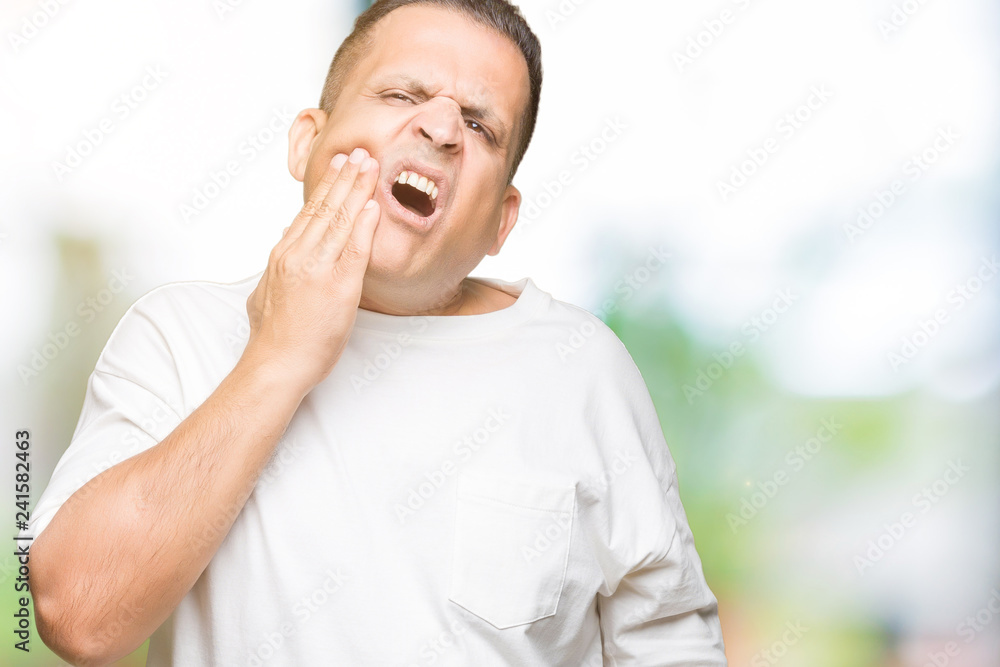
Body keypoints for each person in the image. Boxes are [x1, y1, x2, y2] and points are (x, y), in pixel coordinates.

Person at [24, 0, 727, 664]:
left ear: (500, 222)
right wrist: (278, 357)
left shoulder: (582, 370)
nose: (443, 130)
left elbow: (671, 643)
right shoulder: (175, 335)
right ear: (308, 142)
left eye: (481, 126)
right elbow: (77, 616)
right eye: (401, 95)